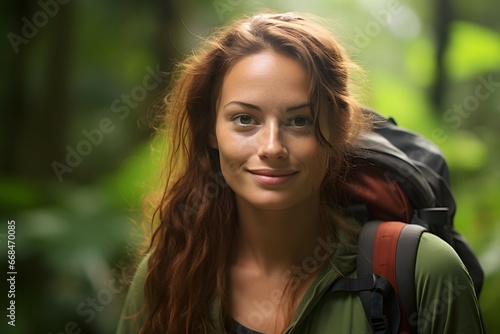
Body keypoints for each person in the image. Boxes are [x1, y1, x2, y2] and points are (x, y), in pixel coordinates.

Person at [116, 12, 484, 334]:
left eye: (299, 120)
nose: (272, 147)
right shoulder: (169, 275)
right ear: (211, 130)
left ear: (338, 131)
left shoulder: (422, 272)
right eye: (245, 119)